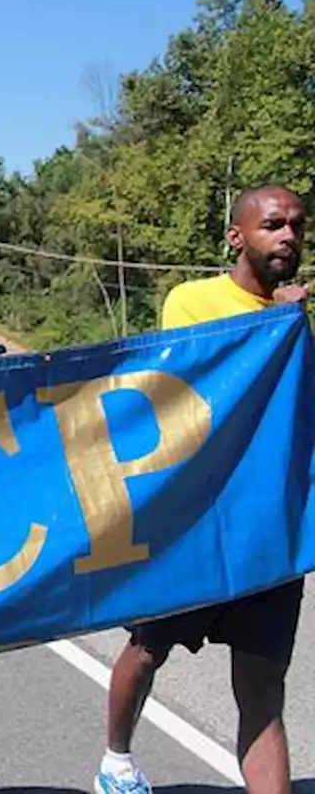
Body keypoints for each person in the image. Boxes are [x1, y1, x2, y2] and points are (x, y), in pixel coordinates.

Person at [94, 184, 309, 794]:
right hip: (194, 526)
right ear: (237, 237)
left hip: (269, 537)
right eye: (273, 225)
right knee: (146, 650)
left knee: (264, 692)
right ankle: (118, 759)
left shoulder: (299, 315)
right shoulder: (192, 301)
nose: (288, 236)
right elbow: (201, 386)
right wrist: (281, 322)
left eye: (297, 225)